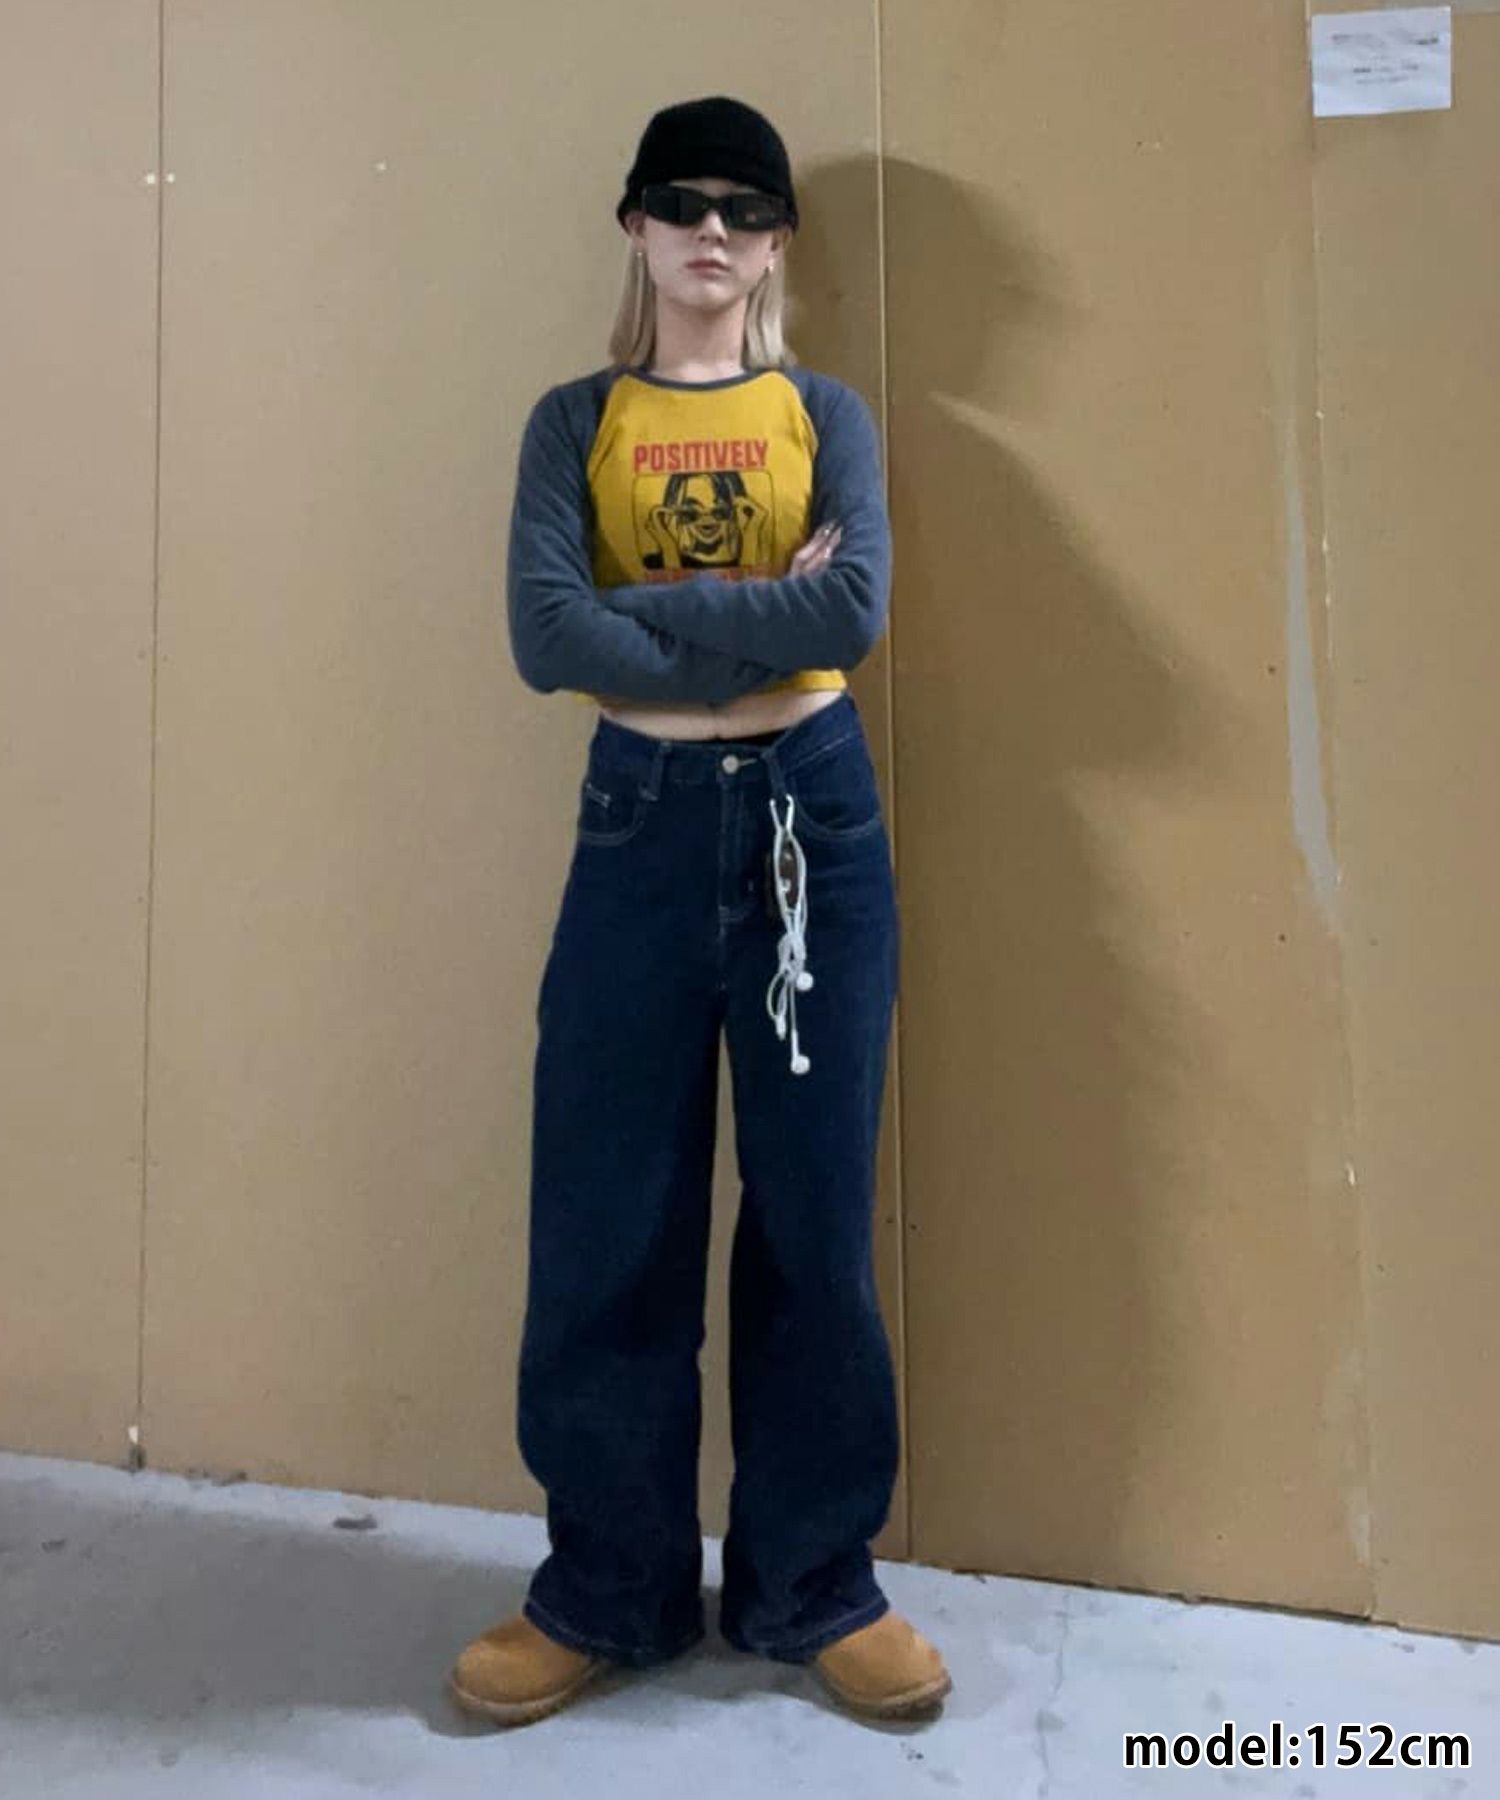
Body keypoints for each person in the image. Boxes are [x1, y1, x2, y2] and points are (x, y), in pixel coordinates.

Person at [447, 95, 952, 1728]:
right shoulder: (572, 422)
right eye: (682, 202)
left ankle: (815, 1582)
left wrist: (652, 616)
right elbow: (543, 634)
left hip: (815, 825)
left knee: (812, 1222)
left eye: (744, 206)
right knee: (610, 1216)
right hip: (639, 828)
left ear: (780, 238)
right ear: (637, 227)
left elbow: (850, 610)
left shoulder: (826, 413)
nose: (712, 231)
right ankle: (610, 1585)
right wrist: (756, 620)